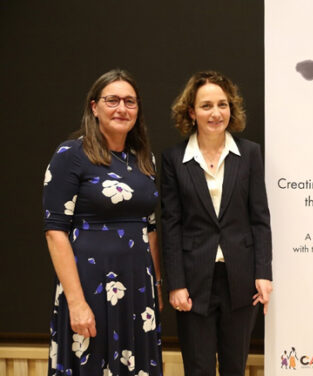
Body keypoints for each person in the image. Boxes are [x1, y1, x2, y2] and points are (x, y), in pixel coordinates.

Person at [43, 69, 163, 375]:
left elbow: (150, 228)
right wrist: (76, 302)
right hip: (90, 286)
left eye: (130, 101)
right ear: (94, 107)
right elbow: (55, 232)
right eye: (112, 100)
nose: (122, 108)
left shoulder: (144, 159)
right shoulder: (70, 155)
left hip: (137, 288)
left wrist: (157, 284)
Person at [161, 70, 272, 376]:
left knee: (235, 366)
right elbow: (171, 224)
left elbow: (260, 218)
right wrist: (176, 283)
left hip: (241, 278)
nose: (216, 113)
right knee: (198, 368)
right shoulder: (174, 159)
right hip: (194, 280)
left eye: (222, 104)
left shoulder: (250, 153)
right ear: (191, 111)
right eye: (206, 105)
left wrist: (263, 272)